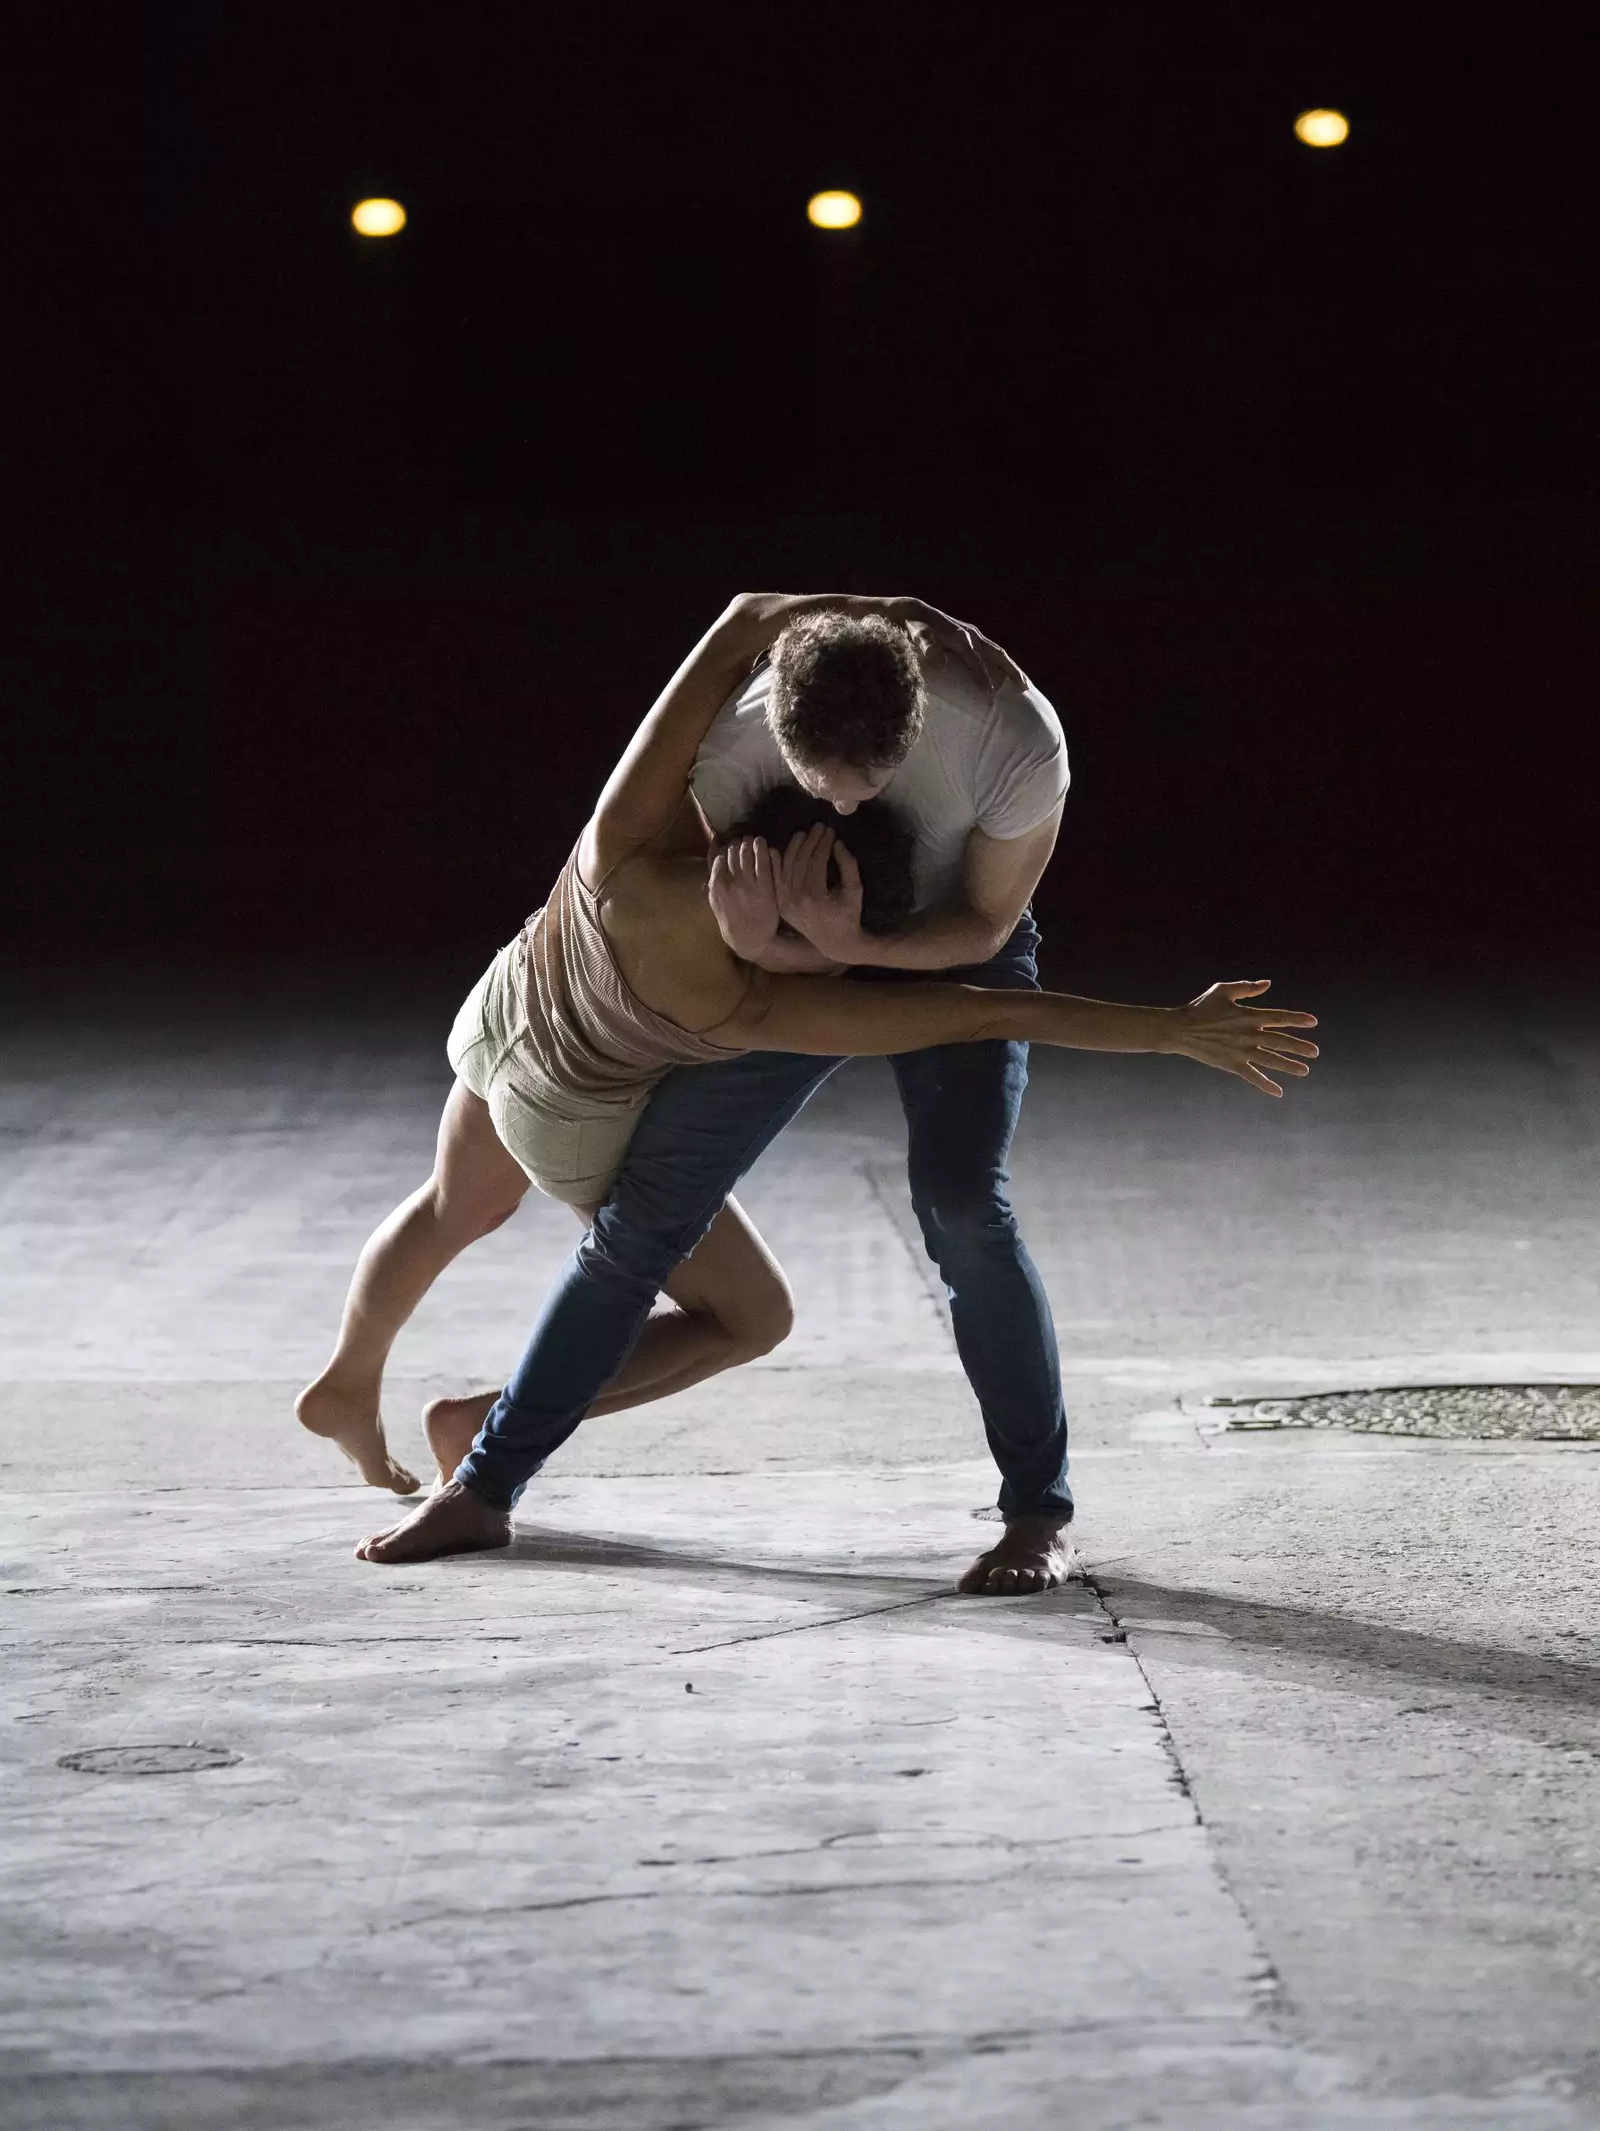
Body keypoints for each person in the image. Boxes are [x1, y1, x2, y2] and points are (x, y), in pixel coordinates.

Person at [349, 592, 1318, 1582]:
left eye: (869, 783)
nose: (846, 805)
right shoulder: (728, 754)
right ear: (777, 724)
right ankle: (485, 1483)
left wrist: (868, 946)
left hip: (934, 945)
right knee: (643, 1222)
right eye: (819, 784)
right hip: (782, 956)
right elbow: (740, 625)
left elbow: (987, 955)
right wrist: (790, 948)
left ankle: (1039, 1515)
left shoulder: (1011, 734)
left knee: (961, 1211)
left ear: (913, 725)